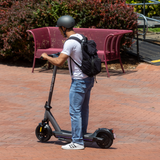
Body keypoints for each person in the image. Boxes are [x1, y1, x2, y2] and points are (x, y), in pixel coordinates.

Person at [41, 15, 94, 150]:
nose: (59, 30)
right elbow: (75, 54)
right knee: (83, 109)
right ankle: (80, 135)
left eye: (59, 28)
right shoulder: (81, 37)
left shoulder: (69, 42)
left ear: (64, 27)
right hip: (88, 79)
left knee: (75, 111)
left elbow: (59, 62)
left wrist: (46, 57)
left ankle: (77, 142)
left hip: (78, 81)